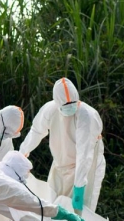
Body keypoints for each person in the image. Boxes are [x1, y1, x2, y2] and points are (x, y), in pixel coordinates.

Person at [18, 78, 106, 213]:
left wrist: (79, 186)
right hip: (60, 164)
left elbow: (84, 154)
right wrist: (22, 154)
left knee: (82, 212)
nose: (69, 106)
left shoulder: (86, 115)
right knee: (52, 205)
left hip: (86, 168)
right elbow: (36, 131)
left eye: (72, 103)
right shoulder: (50, 110)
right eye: (65, 105)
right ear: (57, 102)